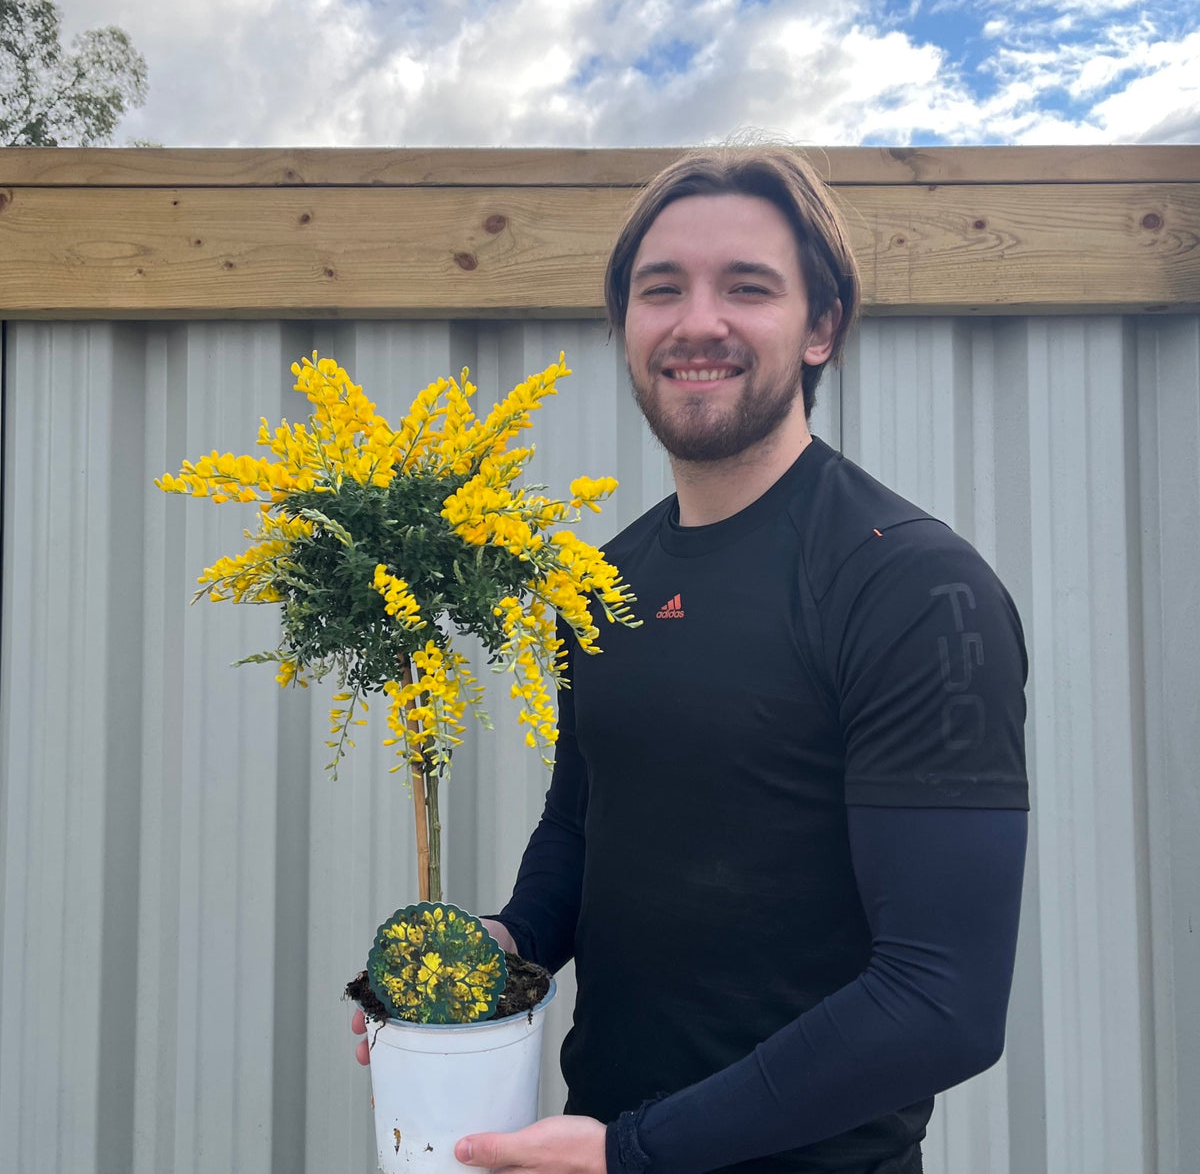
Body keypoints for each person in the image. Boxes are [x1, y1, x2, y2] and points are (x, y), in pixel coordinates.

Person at [352, 145, 1029, 1174]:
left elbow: (943, 1004)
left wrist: (638, 1151)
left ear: (822, 328)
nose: (697, 321)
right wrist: (487, 955)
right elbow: (582, 828)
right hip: (600, 1146)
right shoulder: (605, 579)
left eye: (747, 288)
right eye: (660, 289)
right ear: (626, 325)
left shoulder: (910, 587)